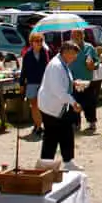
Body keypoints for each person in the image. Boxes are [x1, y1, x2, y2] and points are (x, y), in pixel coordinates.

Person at [37, 41, 84, 171]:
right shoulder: (55, 66)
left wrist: (73, 83)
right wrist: (73, 102)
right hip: (51, 107)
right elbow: (58, 90)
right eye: (73, 54)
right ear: (66, 52)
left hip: (60, 106)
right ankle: (45, 165)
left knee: (67, 132)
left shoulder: (63, 64)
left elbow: (63, 83)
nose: (75, 58)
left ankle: (68, 161)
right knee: (51, 137)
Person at [69, 29, 99, 133]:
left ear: (83, 36)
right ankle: (76, 123)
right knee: (74, 102)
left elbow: (97, 62)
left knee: (89, 102)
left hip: (87, 81)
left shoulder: (89, 47)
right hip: (73, 81)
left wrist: (93, 65)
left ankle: (91, 122)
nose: (77, 37)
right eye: (74, 35)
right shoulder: (69, 48)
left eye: (79, 35)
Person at [20, 32, 49, 138]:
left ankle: (39, 125)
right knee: (34, 105)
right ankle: (37, 125)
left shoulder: (44, 52)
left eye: (41, 41)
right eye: (37, 41)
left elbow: (47, 67)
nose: (40, 43)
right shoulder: (27, 54)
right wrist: (21, 83)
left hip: (42, 82)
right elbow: (24, 70)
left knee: (42, 105)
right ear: (32, 42)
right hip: (32, 82)